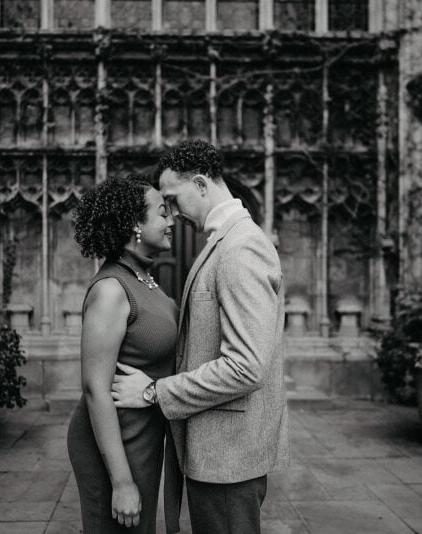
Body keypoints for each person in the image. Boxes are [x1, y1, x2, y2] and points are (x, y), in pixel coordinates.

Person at [112, 140, 289, 534]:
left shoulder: (241, 248)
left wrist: (154, 392)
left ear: (201, 184)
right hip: (220, 449)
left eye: (173, 199)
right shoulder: (226, 242)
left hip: (228, 455)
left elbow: (246, 368)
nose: (172, 214)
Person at [67, 174, 178, 533]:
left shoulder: (145, 278)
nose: (172, 220)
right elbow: (95, 388)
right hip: (117, 441)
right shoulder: (112, 289)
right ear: (135, 224)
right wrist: (122, 482)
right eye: (162, 212)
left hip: (143, 434)